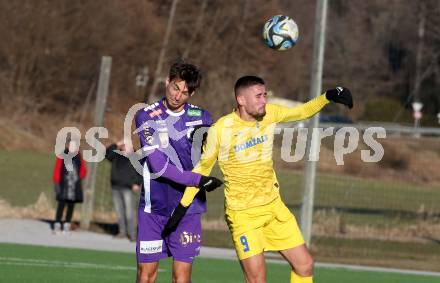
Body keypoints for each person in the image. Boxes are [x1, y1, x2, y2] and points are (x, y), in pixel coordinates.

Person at [166, 76, 353, 283]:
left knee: (305, 265)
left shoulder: (269, 114)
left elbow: (301, 112)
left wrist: (328, 96)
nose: (264, 100)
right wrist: (182, 207)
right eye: (258, 96)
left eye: (264, 95)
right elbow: (202, 169)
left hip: (274, 208)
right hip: (243, 215)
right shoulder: (221, 130)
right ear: (241, 100)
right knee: (257, 280)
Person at [134, 60, 223, 283]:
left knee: (181, 278)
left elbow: (213, 154)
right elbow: (158, 166)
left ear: (191, 93)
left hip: (188, 210)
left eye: (184, 92)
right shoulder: (146, 116)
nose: (177, 95)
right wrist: (199, 180)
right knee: (146, 276)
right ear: (167, 82)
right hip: (153, 208)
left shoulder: (203, 118)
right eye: (175, 87)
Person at [105, 140, 142, 241]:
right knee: (119, 212)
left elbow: (140, 172)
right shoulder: (116, 155)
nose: (125, 146)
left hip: (128, 188)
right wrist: (116, 143)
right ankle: (122, 232)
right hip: (115, 187)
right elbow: (106, 154)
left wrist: (137, 183)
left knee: (129, 212)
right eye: (123, 145)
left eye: (127, 145)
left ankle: (132, 234)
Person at [52, 139, 87, 234]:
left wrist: (78, 177)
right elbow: (57, 169)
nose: (72, 147)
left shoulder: (79, 157)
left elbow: (83, 170)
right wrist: (56, 182)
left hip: (74, 186)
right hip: (63, 185)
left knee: (71, 206)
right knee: (61, 205)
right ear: (67, 146)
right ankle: (57, 224)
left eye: (74, 146)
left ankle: (67, 224)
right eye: (71, 145)